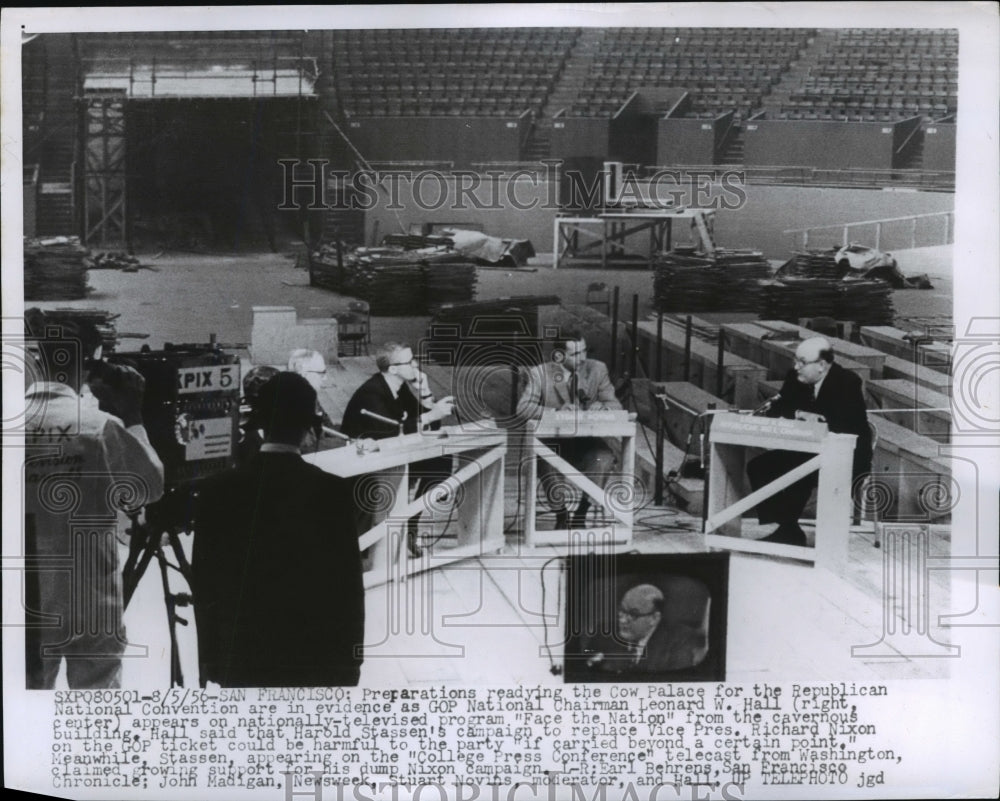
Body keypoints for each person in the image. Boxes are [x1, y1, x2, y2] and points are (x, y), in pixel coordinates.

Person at [192, 372, 364, 687]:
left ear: (260, 421)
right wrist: (350, 664)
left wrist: (210, 660)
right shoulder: (332, 493)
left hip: (242, 657)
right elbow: (347, 589)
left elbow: (205, 586)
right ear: (309, 425)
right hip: (315, 660)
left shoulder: (217, 492)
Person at [23, 309, 165, 689]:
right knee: (99, 703)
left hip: (28, 595)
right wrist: (133, 413)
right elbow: (149, 487)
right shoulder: (100, 427)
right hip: (92, 592)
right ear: (89, 366)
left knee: (30, 699)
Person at [746, 336, 873, 546]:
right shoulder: (796, 378)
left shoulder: (847, 382)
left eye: (802, 363)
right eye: (796, 361)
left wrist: (819, 419)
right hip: (805, 451)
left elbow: (846, 424)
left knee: (800, 474)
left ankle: (790, 531)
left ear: (822, 365)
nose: (796, 367)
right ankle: (788, 527)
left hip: (846, 456)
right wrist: (798, 413)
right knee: (758, 467)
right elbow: (778, 407)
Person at [341, 342, 454, 558]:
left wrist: (426, 391)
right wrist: (430, 416)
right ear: (393, 369)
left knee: (440, 459)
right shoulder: (372, 393)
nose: (415, 365)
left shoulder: (398, 388)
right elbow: (390, 434)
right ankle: (400, 530)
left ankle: (413, 522)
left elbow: (428, 423)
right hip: (364, 465)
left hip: (390, 457)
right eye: (410, 362)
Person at [517, 330, 622, 529]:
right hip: (553, 443)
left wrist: (603, 407)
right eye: (575, 354)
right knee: (546, 458)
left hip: (586, 443)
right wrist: (556, 411)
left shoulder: (597, 369)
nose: (582, 358)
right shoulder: (539, 373)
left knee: (604, 458)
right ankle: (561, 514)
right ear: (559, 356)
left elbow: (615, 405)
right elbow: (523, 408)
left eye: (584, 352)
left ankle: (582, 512)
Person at [585, 579, 711, 676]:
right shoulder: (604, 634)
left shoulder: (681, 640)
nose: (622, 620)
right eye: (621, 611)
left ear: (654, 618)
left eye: (633, 614)